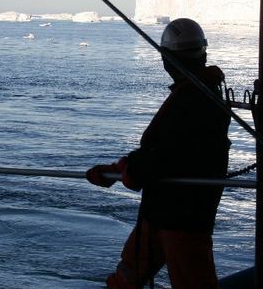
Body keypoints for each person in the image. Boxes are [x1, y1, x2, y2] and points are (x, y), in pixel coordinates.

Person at [86, 18, 231, 289]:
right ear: (203, 53)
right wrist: (122, 168)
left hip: (182, 218)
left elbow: (169, 154)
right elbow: (170, 151)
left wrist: (126, 171)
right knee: (129, 274)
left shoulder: (195, 99)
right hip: (169, 212)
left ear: (167, 59)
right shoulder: (204, 95)